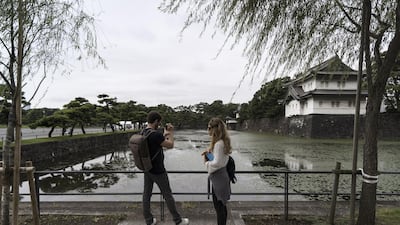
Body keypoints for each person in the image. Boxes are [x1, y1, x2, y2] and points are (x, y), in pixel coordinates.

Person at [142, 111, 189, 225]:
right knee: (167, 194)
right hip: (158, 170)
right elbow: (170, 145)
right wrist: (171, 133)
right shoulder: (156, 134)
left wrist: (165, 134)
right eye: (159, 122)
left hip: (147, 168)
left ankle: (149, 220)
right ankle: (177, 220)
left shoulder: (144, 132)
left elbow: (156, 142)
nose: (160, 124)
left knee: (146, 195)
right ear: (156, 121)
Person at [202, 117, 232, 225]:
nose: (208, 130)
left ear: (215, 129)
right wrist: (210, 153)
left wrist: (206, 162)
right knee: (222, 206)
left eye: (209, 127)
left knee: (219, 207)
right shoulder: (223, 141)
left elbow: (217, 163)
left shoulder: (219, 144)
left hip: (219, 178)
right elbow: (221, 160)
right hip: (222, 177)